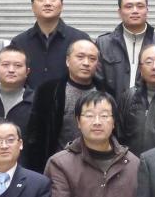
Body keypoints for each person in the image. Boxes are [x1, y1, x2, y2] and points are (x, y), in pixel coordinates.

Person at [29, 39, 112, 171]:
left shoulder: (107, 93)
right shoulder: (48, 91)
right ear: (68, 61)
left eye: (92, 59)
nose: (86, 63)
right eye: (80, 57)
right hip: (59, 167)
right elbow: (35, 136)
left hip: (97, 167)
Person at [9, 0, 91, 90]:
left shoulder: (80, 40)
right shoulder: (19, 43)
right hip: (29, 101)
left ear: (62, 5)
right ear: (33, 7)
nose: (47, 3)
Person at [96, 0, 155, 97]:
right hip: (112, 106)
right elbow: (97, 82)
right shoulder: (104, 43)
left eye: (140, 6)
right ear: (119, 12)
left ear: (147, 10)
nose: (135, 11)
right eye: (129, 6)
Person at [0, 45, 36, 168]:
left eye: (18, 65)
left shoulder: (38, 104)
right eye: (5, 65)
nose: (11, 70)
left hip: (28, 173)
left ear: (27, 71)